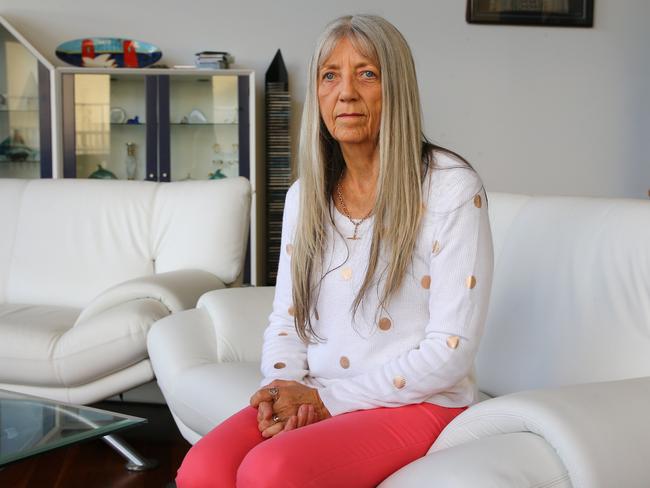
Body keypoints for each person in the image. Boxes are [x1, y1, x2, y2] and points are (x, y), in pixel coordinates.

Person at [176, 13, 494, 488]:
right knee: (203, 468)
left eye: (367, 73)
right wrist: (281, 391)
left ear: (397, 89)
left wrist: (327, 403)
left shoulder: (450, 188)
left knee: (269, 471)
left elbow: (450, 351)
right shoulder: (307, 195)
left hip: (420, 402)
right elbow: (287, 321)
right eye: (330, 75)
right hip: (320, 393)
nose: (346, 92)